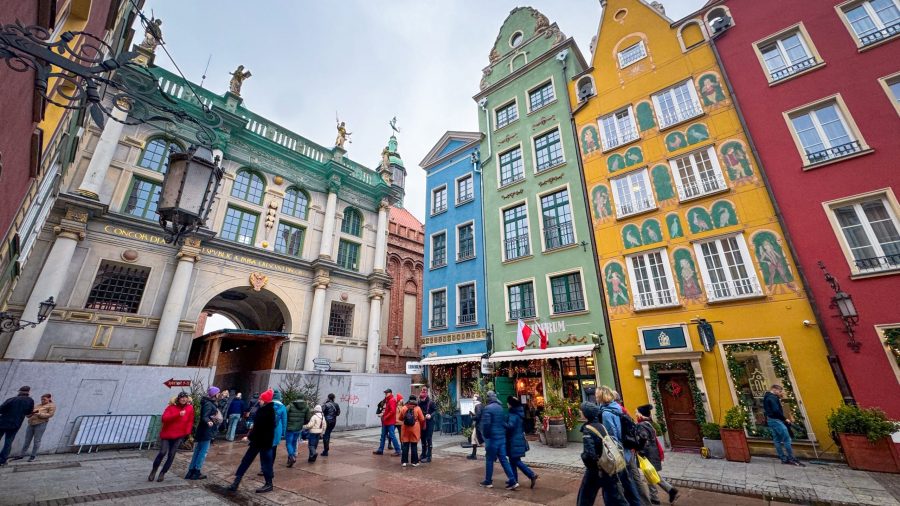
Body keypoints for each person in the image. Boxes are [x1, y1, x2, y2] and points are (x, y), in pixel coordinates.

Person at [577, 401, 631, 506]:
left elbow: (589, 454)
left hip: (596, 468)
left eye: (581, 410)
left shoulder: (588, 429)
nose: (580, 412)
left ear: (586, 414)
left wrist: (586, 460)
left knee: (585, 496)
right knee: (615, 496)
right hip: (607, 465)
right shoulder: (600, 426)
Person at [597, 386, 643, 505]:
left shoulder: (606, 413)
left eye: (597, 394)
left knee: (619, 484)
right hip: (626, 450)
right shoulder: (616, 408)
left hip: (619, 452)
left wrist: (613, 455)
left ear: (601, 397)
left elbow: (612, 435)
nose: (595, 396)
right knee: (628, 481)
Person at [228, 388, 276, 494]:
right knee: (258, 462)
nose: (259, 400)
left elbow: (259, 428)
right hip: (262, 442)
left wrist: (249, 437)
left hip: (261, 442)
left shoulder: (265, 411)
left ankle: (237, 482)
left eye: (261, 399)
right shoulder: (268, 410)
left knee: (257, 462)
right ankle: (237, 481)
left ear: (265, 400)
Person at [635, 404, 678, 505]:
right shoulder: (649, 423)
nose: (635, 414)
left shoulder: (641, 425)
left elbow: (644, 439)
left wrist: (640, 450)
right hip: (653, 452)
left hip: (648, 454)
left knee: (650, 473)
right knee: (651, 474)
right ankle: (667, 491)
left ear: (641, 414)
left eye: (636, 412)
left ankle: (657, 496)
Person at [149, 392, 193, 482]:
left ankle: (162, 473)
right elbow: (164, 419)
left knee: (171, 454)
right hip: (167, 434)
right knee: (162, 452)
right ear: (178, 399)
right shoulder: (171, 407)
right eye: (182, 398)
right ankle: (154, 470)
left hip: (179, 435)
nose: (184, 399)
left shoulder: (189, 408)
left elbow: (190, 421)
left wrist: (187, 433)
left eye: (185, 398)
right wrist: (178, 414)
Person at [479, 391, 517, 490]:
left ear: (488, 398)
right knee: (504, 459)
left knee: (489, 460)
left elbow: (486, 425)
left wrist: (486, 437)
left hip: (492, 439)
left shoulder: (488, 408)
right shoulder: (500, 407)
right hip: (501, 438)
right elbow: (502, 422)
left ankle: (488, 481)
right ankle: (512, 480)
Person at [186, 386, 220, 480]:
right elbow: (205, 416)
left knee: (197, 451)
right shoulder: (209, 404)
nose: (219, 394)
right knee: (203, 452)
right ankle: (196, 471)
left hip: (203, 430)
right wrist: (209, 421)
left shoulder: (207, 402)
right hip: (206, 430)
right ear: (214, 394)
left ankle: (191, 471)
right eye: (218, 392)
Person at [764, 384, 804, 466]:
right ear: (774, 389)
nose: (780, 393)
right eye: (779, 391)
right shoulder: (772, 398)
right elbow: (776, 410)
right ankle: (791, 458)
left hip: (770, 420)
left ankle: (783, 458)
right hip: (776, 420)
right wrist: (785, 419)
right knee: (787, 439)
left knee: (777, 440)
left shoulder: (767, 397)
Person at [10, 392, 55, 463]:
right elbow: (29, 414)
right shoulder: (38, 405)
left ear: (49, 399)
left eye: (44, 399)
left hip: (41, 424)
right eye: (41, 399)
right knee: (27, 440)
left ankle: (33, 456)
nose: (42, 401)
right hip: (31, 423)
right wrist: (29, 413)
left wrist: (39, 413)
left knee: (37, 440)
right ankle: (21, 455)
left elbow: (50, 415)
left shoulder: (51, 406)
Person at [505, 396, 538, 489]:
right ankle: (514, 481)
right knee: (513, 461)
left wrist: (502, 424)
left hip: (514, 440)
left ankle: (531, 474)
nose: (507, 404)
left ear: (511, 404)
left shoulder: (513, 415)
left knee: (515, 460)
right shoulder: (519, 413)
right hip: (518, 439)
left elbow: (510, 427)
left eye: (508, 403)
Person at [0, 386, 35, 467]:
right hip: (15, 425)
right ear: (28, 392)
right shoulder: (30, 401)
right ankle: (2, 460)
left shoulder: (11, 399)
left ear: (19, 391)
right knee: (8, 443)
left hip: (2, 423)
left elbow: (1, 409)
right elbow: (28, 413)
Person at [398, 397, 425, 467]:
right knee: (414, 445)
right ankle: (414, 462)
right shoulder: (417, 408)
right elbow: (422, 419)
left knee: (405, 445)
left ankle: (404, 462)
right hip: (415, 428)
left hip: (405, 428)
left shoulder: (404, 408)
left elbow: (400, 418)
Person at [285, 397, 311, 467]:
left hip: (290, 428)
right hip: (298, 428)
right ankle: (293, 456)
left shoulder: (290, 405)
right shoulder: (306, 407)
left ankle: (291, 457)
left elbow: (285, 414)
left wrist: (286, 423)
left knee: (288, 443)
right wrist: (302, 423)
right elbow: (308, 418)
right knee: (294, 442)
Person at [373, 389, 400, 456]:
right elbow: (387, 410)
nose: (385, 394)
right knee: (383, 436)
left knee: (392, 436)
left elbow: (392, 411)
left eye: (386, 393)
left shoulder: (392, 400)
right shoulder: (387, 400)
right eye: (385, 393)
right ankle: (380, 450)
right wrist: (382, 414)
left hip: (389, 422)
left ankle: (398, 450)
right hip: (385, 422)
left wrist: (385, 417)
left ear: (390, 393)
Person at [418, 387, 436, 463]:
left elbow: (436, 411)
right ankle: (423, 454)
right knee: (422, 438)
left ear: (425, 396)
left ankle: (429, 456)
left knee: (429, 439)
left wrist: (430, 415)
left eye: (422, 399)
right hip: (422, 422)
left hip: (429, 423)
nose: (421, 400)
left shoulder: (431, 402)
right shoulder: (419, 402)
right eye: (421, 398)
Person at [468, 393, 483, 460]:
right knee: (474, 438)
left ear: (477, 398)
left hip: (479, 425)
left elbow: (478, 416)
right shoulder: (478, 405)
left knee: (481, 440)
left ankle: (493, 454)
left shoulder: (478, 405)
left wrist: (472, 416)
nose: (473, 397)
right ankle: (473, 455)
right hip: (478, 425)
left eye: (474, 396)